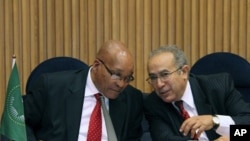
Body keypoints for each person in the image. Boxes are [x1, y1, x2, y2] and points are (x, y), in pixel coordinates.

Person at [24, 40, 143, 141]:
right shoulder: (52, 87)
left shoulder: (132, 99)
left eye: (127, 78)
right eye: (116, 75)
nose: (121, 84)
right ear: (97, 65)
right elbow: (17, 124)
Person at [143, 45, 250, 141]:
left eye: (165, 74)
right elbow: (165, 139)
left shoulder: (219, 87)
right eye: (153, 77)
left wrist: (215, 121)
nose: (159, 84)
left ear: (184, 72)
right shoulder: (154, 103)